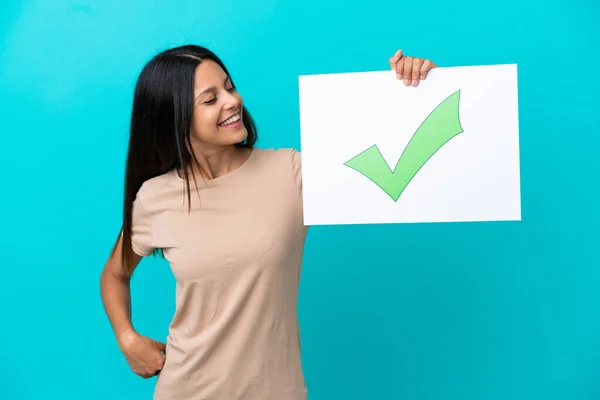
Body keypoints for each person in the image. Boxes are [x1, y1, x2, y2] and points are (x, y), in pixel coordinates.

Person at [99, 44, 438, 400]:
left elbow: (394, 172)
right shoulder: (156, 198)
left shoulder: (290, 172)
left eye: (229, 88)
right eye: (210, 99)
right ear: (176, 117)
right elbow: (114, 274)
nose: (232, 101)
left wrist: (416, 91)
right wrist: (126, 337)